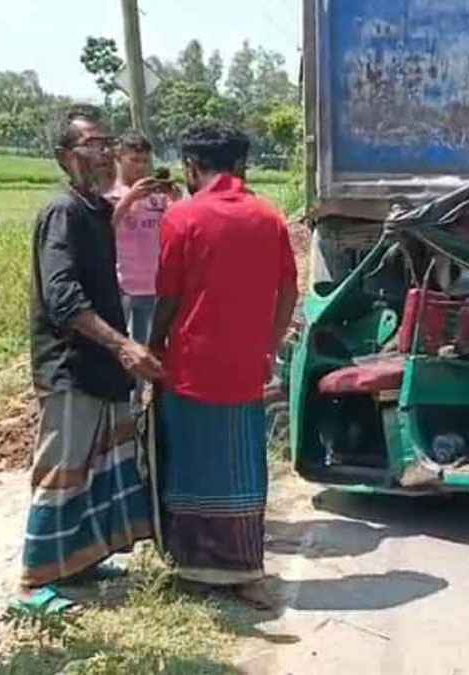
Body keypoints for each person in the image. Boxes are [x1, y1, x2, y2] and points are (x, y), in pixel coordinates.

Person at [19, 105, 163, 612]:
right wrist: (123, 345)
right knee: (62, 469)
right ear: (65, 158)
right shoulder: (62, 212)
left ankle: (79, 561)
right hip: (71, 365)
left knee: (99, 463)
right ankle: (35, 584)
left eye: (107, 145)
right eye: (92, 146)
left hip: (100, 364)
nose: (104, 154)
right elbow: (61, 297)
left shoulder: (96, 210)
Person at [148, 123, 299, 609]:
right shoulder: (270, 217)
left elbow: (167, 296)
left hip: (191, 367)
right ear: (241, 166)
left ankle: (192, 569)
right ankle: (245, 571)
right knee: (242, 471)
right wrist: (269, 347)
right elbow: (289, 292)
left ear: (193, 167)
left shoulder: (182, 216)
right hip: (245, 370)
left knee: (190, 468)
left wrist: (151, 347)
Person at [104, 130, 178, 409]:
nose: (142, 167)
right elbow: (103, 229)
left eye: (146, 161)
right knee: (124, 350)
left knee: (150, 349)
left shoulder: (159, 199)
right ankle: (125, 404)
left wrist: (175, 198)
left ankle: (147, 402)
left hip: (155, 286)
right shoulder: (110, 196)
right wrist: (129, 198)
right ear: (119, 159)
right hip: (124, 285)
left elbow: (178, 225)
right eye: (135, 160)